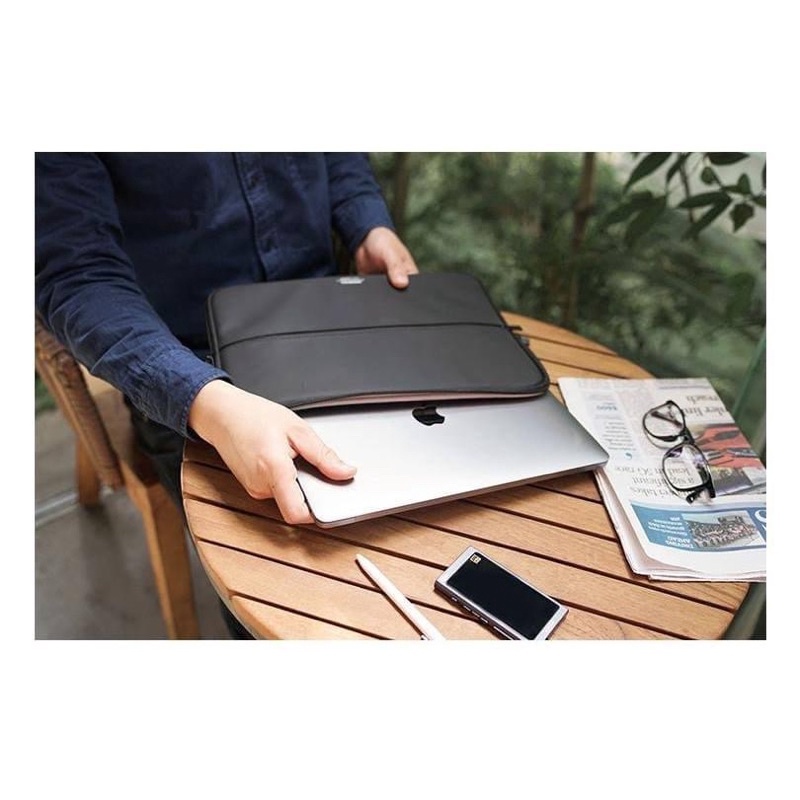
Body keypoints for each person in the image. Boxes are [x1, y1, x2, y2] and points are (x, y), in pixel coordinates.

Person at [35, 153, 419, 636]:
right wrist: (207, 401)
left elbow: (340, 155)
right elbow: (75, 276)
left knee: (426, 499)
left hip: (327, 320)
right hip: (191, 365)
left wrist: (368, 224)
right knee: (290, 602)